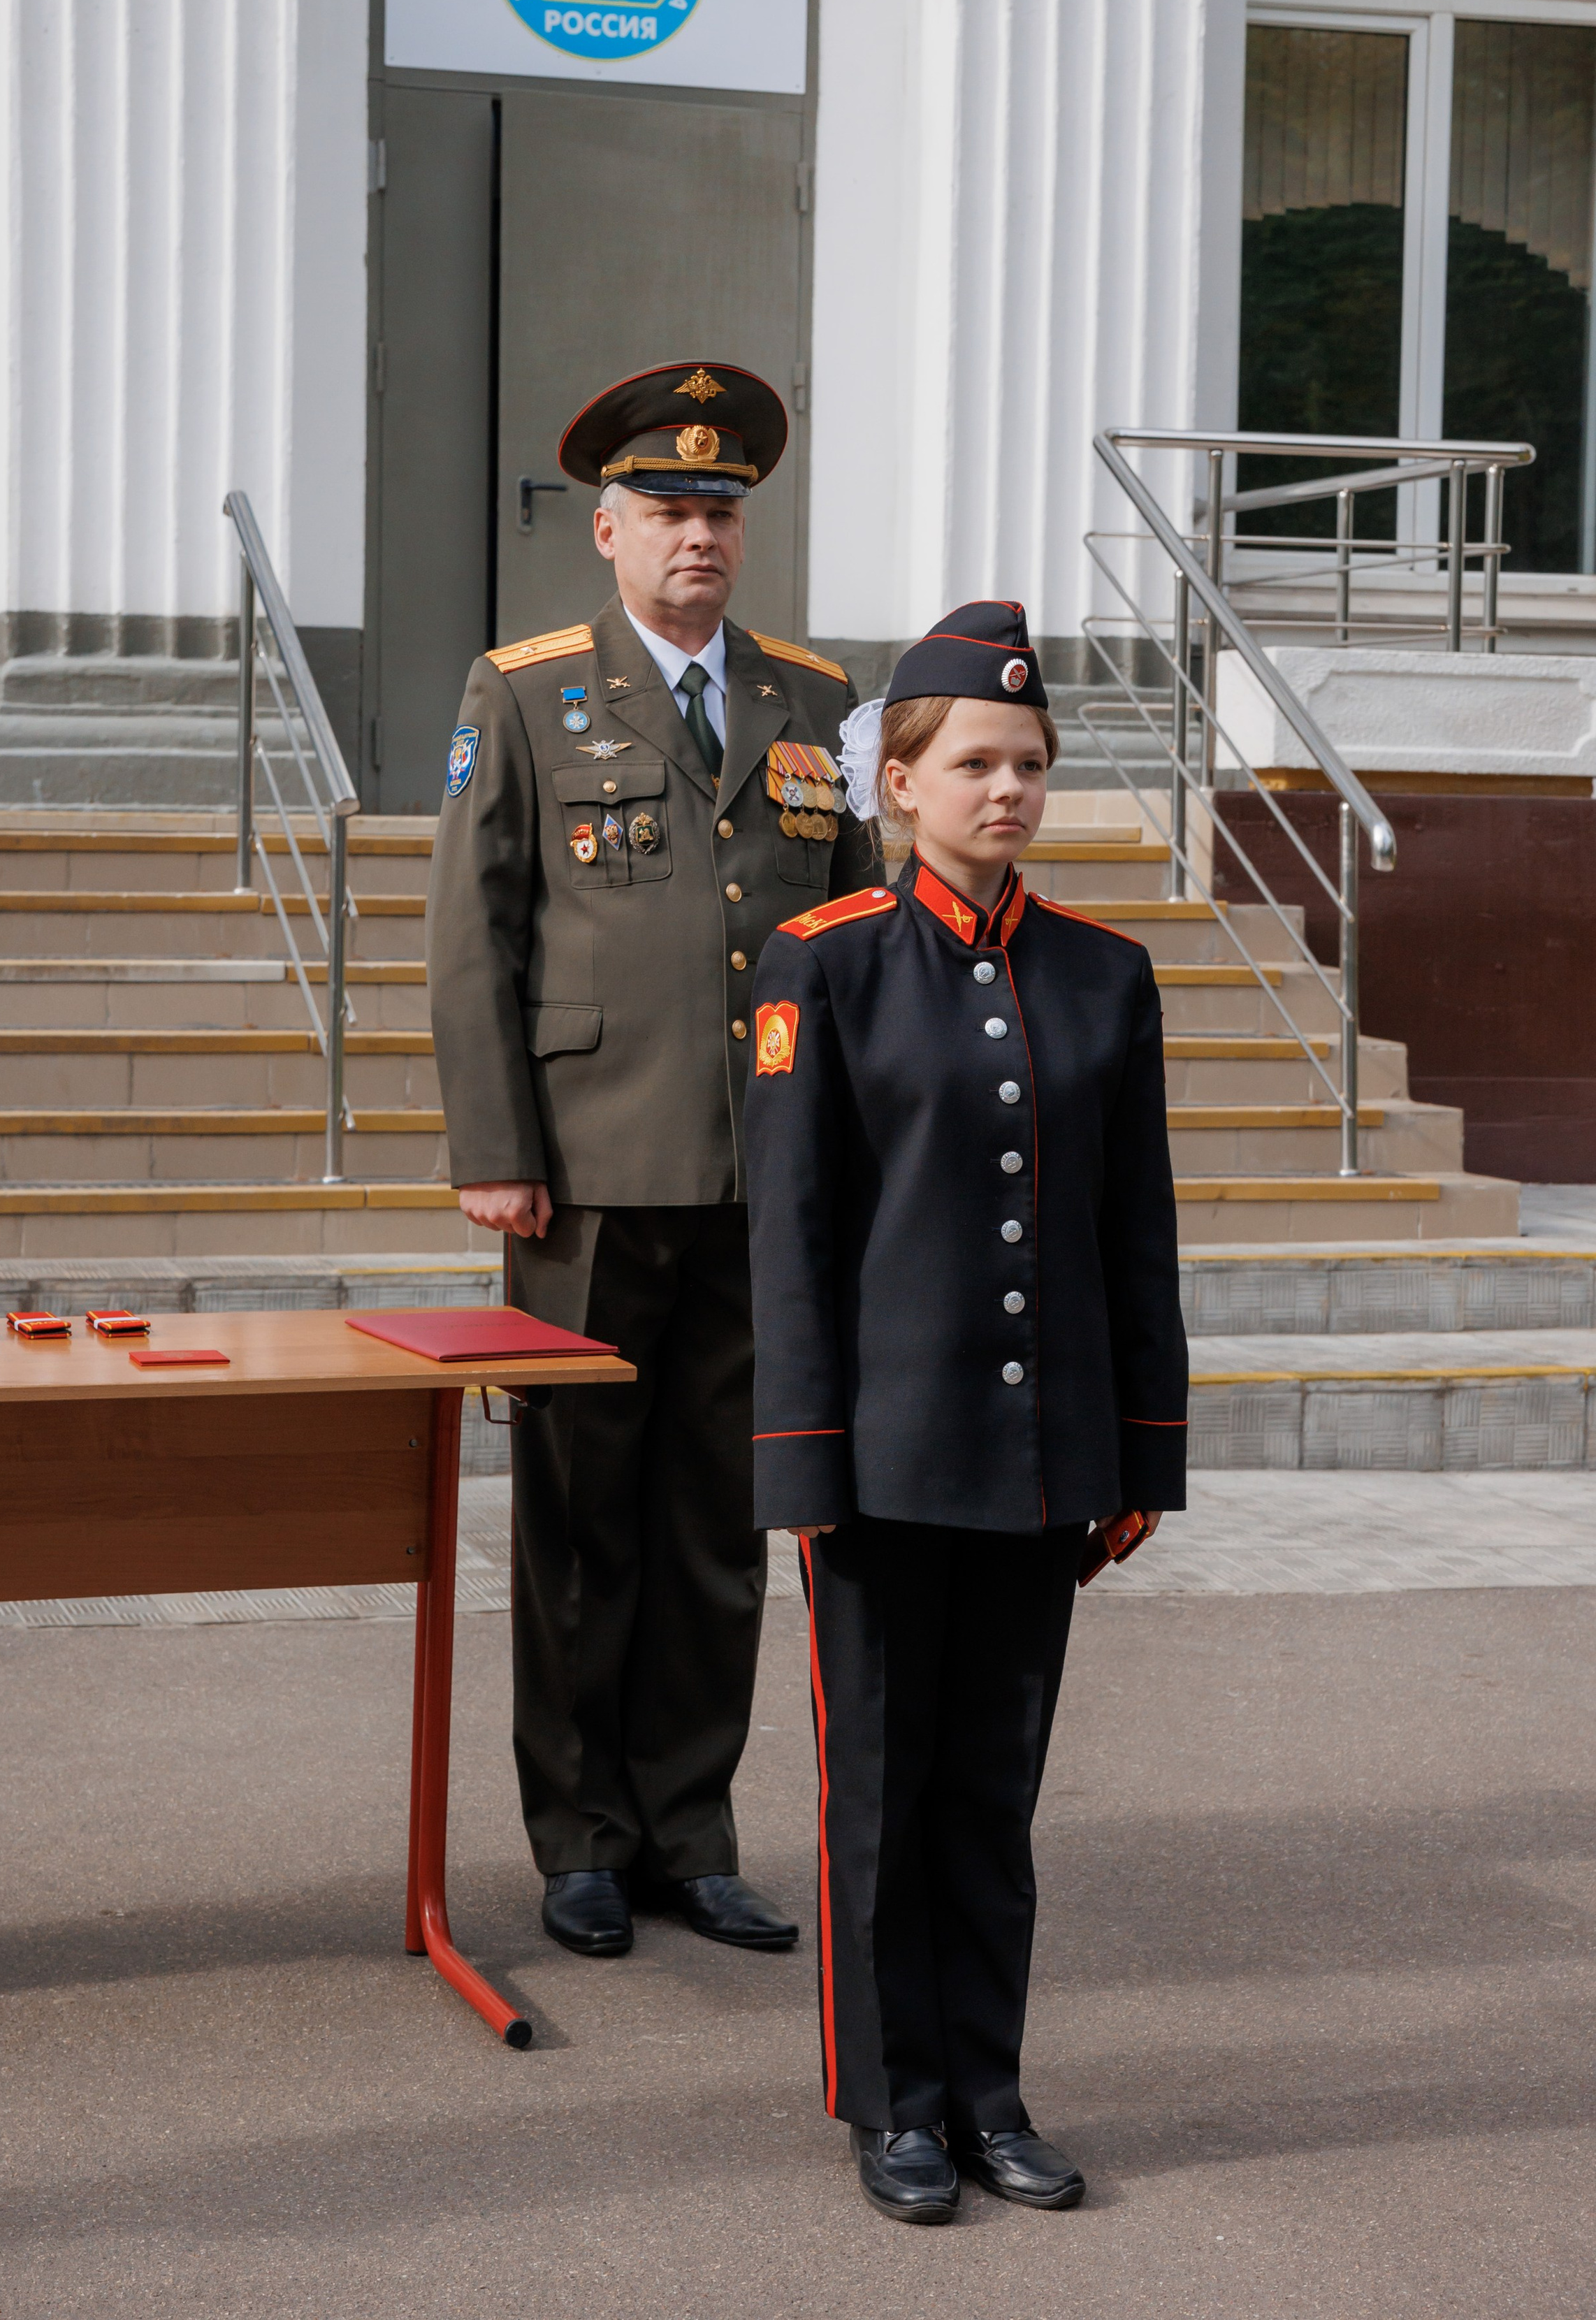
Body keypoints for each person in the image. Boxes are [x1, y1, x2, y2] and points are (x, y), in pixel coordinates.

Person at [427, 360, 880, 1960]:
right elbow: (471, 942)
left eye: (721, 508)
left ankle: (689, 1830)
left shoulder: (811, 702)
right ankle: (578, 1839)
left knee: (713, 1519)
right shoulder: (524, 688)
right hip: (588, 1173)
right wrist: (497, 1148)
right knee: (575, 1516)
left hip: (759, 1177)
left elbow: (852, 937)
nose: (699, 532)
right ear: (605, 527)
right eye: (670, 508)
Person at [744, 600, 1188, 2225]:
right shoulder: (827, 962)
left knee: (991, 1795)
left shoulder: (1101, 974)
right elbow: (787, 1231)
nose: (1002, 788)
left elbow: (1130, 1230)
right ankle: (895, 2100)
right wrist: (796, 1449)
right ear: (904, 784)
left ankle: (991, 2088)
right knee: (882, 1785)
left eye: (1026, 764)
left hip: (1036, 1455)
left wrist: (1140, 1450)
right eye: (972, 763)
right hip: (880, 1454)